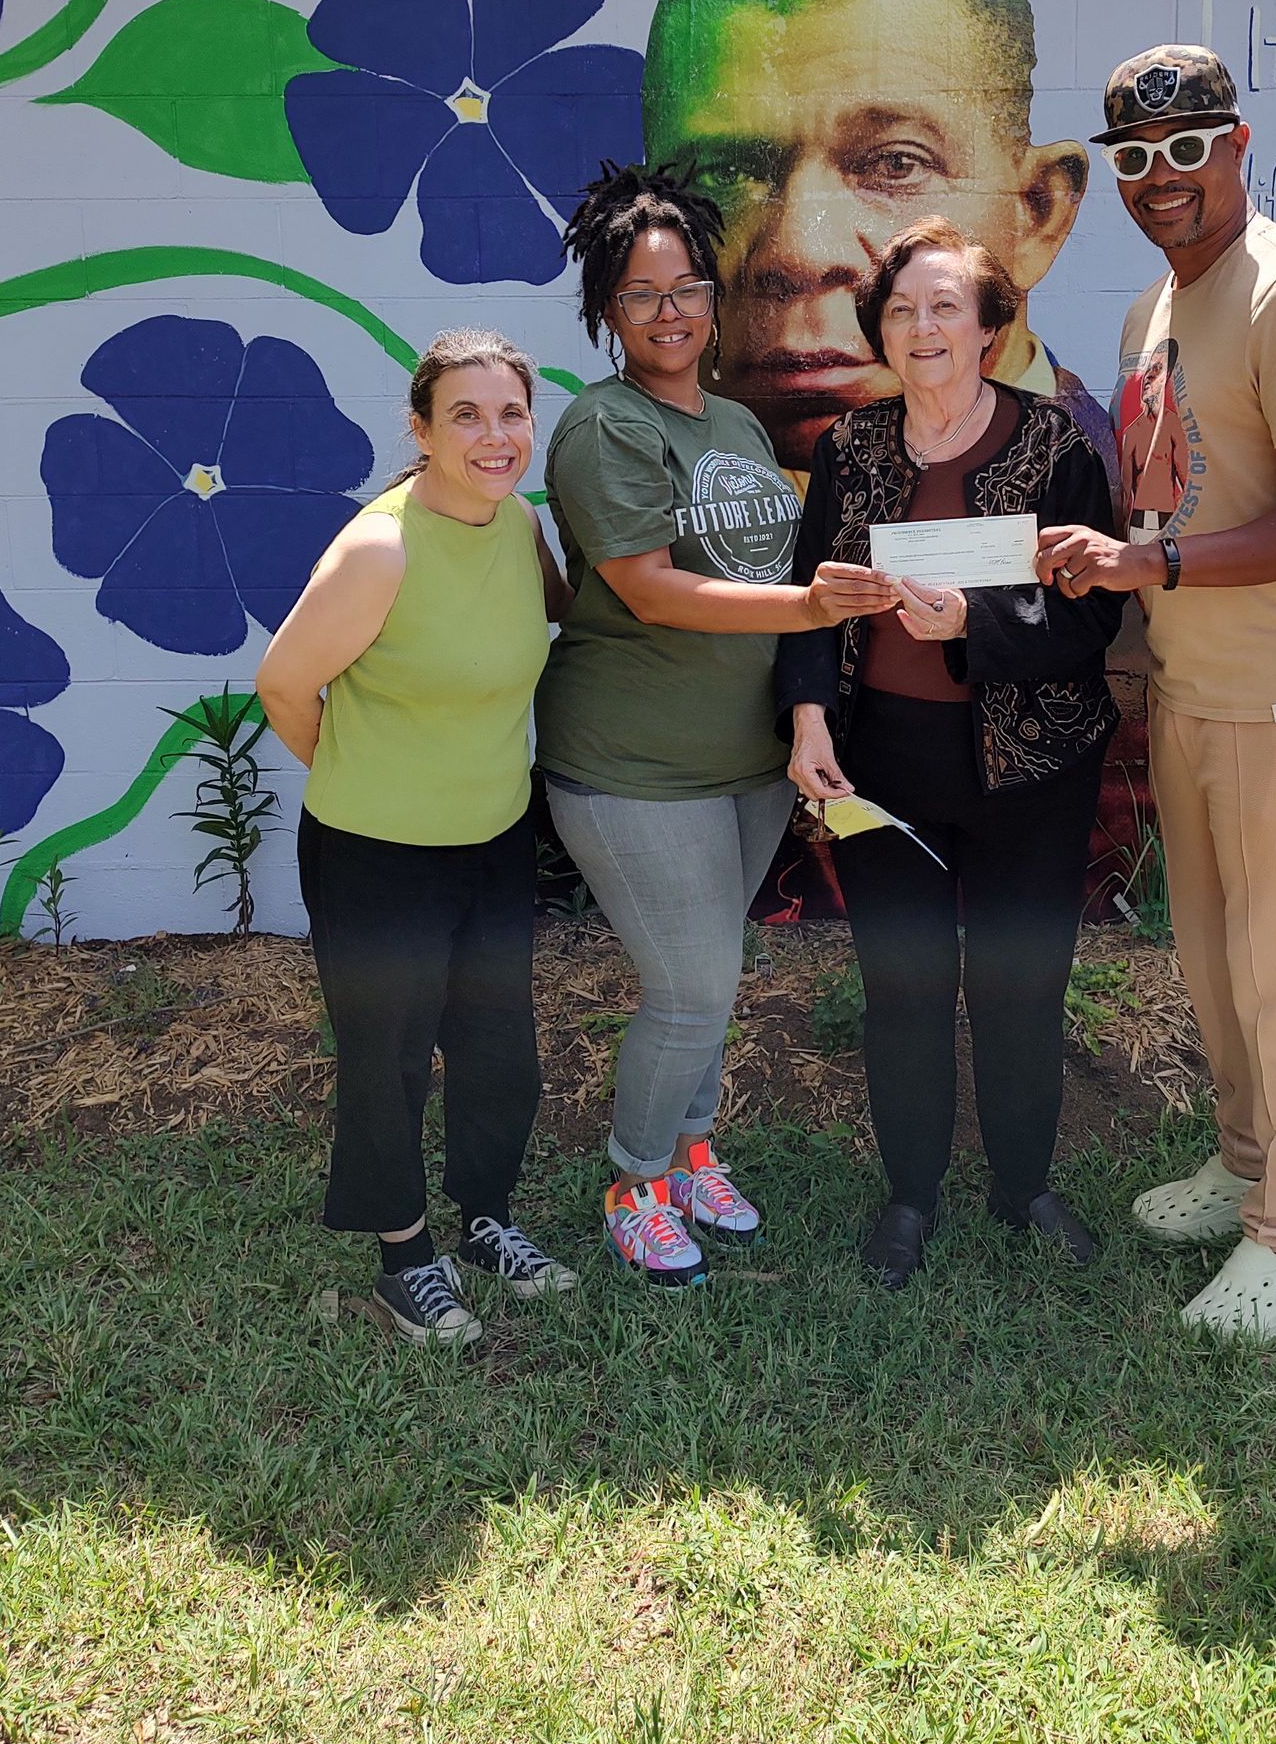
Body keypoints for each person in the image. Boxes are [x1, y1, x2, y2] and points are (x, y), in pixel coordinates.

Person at [1036, 46, 1276, 1342]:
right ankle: (1246, 1162)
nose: (1161, 179)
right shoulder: (1153, 312)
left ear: (1239, 147)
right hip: (1199, 684)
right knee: (1215, 959)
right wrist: (1103, 573)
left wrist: (1154, 562)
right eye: (1135, 158)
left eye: (1188, 150)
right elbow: (1165, 494)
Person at [534, 162, 895, 1288]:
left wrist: (805, 711)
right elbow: (648, 586)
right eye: (641, 294)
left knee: (715, 978)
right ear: (605, 311)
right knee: (690, 984)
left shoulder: (735, 422)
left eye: (687, 285)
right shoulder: (605, 429)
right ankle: (633, 1181)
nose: (671, 311)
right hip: (632, 768)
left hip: (743, 763)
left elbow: (759, 572)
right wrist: (810, 602)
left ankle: (691, 1153)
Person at [781, 216, 1123, 1290]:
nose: (921, 326)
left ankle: (1024, 1183)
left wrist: (972, 627)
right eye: (901, 309)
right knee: (906, 986)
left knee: (1023, 983)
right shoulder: (848, 448)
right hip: (886, 763)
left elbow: (1092, 621)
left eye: (944, 307)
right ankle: (911, 1195)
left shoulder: (1057, 447)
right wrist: (807, 719)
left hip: (1033, 767)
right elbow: (811, 607)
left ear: (988, 329)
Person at [256, 329, 576, 1347]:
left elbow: (556, 620)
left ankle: (484, 1224)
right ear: (423, 429)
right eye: (467, 416)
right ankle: (405, 1260)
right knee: (388, 1060)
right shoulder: (380, 546)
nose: (494, 435)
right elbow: (282, 685)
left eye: (511, 413)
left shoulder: (520, 526)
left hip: (490, 838)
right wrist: (362, 775)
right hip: (375, 850)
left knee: (497, 1053)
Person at [639, 0, 1116, 481]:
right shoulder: (660, 482)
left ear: (1038, 211)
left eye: (896, 164)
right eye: (725, 173)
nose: (799, 253)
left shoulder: (1087, 484)